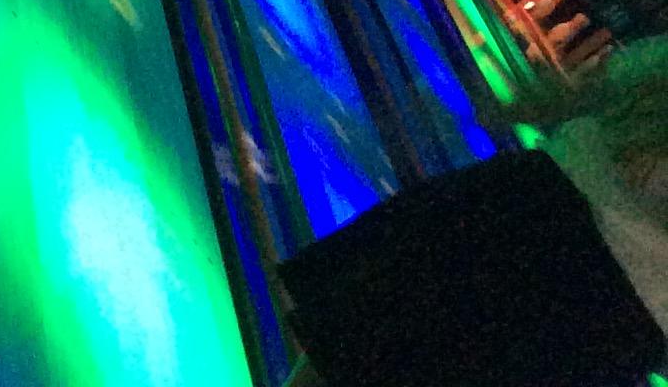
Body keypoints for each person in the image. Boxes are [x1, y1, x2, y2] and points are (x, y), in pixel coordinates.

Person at [277, 37, 668, 386]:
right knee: (357, 345)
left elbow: (613, 87)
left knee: (356, 343)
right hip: (590, 300)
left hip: (521, 209)